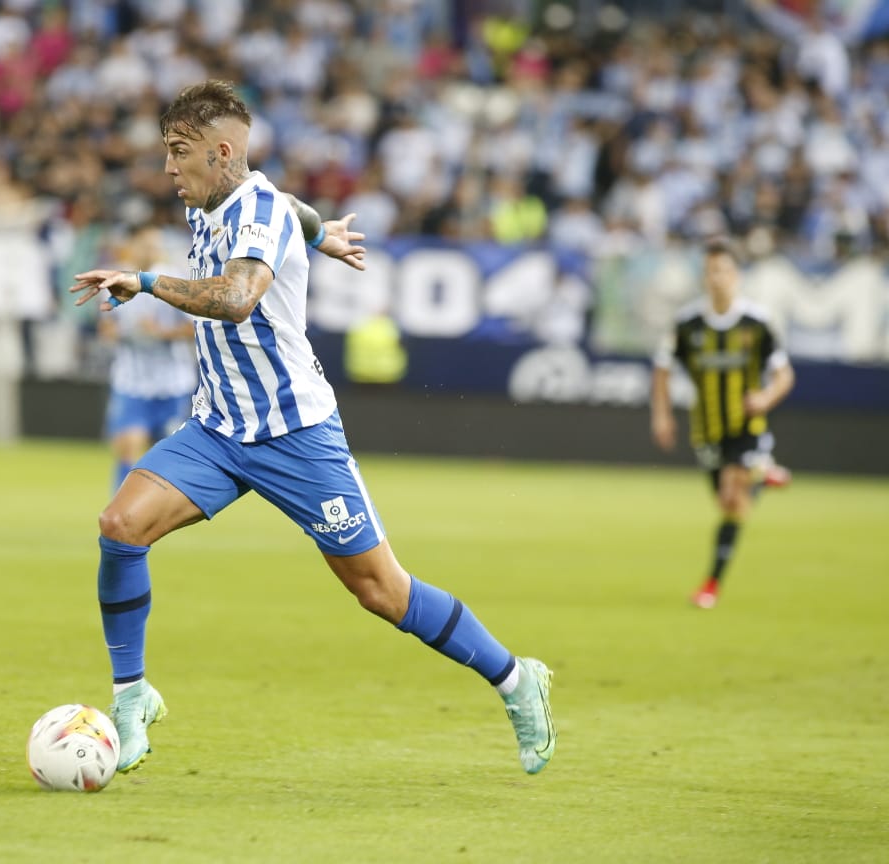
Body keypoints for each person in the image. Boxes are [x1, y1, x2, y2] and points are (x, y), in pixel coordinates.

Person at [70, 81, 556, 777]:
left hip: (297, 434)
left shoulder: (254, 208)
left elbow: (237, 299)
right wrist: (321, 230)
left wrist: (146, 282)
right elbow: (290, 205)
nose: (169, 168)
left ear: (222, 151)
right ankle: (131, 697)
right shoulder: (224, 198)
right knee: (120, 525)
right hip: (218, 429)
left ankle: (515, 679)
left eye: (179, 153)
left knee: (382, 592)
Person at [651, 238, 796, 609]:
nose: (717, 278)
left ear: (738, 275)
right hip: (708, 429)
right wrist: (662, 414)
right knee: (729, 503)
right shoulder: (687, 323)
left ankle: (710, 585)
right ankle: (761, 475)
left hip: (747, 424)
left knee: (733, 494)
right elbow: (662, 370)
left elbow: (784, 375)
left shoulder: (757, 322)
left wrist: (764, 397)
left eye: (724, 270)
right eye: (711, 271)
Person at [98, 222, 198, 492]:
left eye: (156, 244)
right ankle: (123, 507)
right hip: (132, 381)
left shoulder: (172, 278)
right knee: (129, 445)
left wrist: (162, 333)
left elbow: (195, 327)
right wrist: (119, 331)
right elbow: (105, 325)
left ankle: (164, 506)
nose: (153, 250)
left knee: (168, 453)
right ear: (132, 246)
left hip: (172, 382)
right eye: (147, 244)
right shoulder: (116, 278)